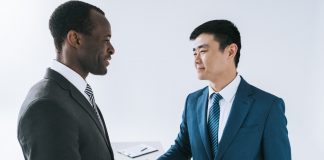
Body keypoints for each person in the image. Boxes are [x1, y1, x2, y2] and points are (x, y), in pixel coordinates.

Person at [158, 20, 291, 160]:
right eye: (194, 53)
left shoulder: (267, 106)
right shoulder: (192, 101)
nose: (196, 60)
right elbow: (181, 149)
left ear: (230, 51)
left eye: (202, 51)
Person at [17, 1, 115, 160]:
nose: (111, 49)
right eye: (106, 40)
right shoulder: (46, 106)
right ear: (75, 39)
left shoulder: (73, 92)